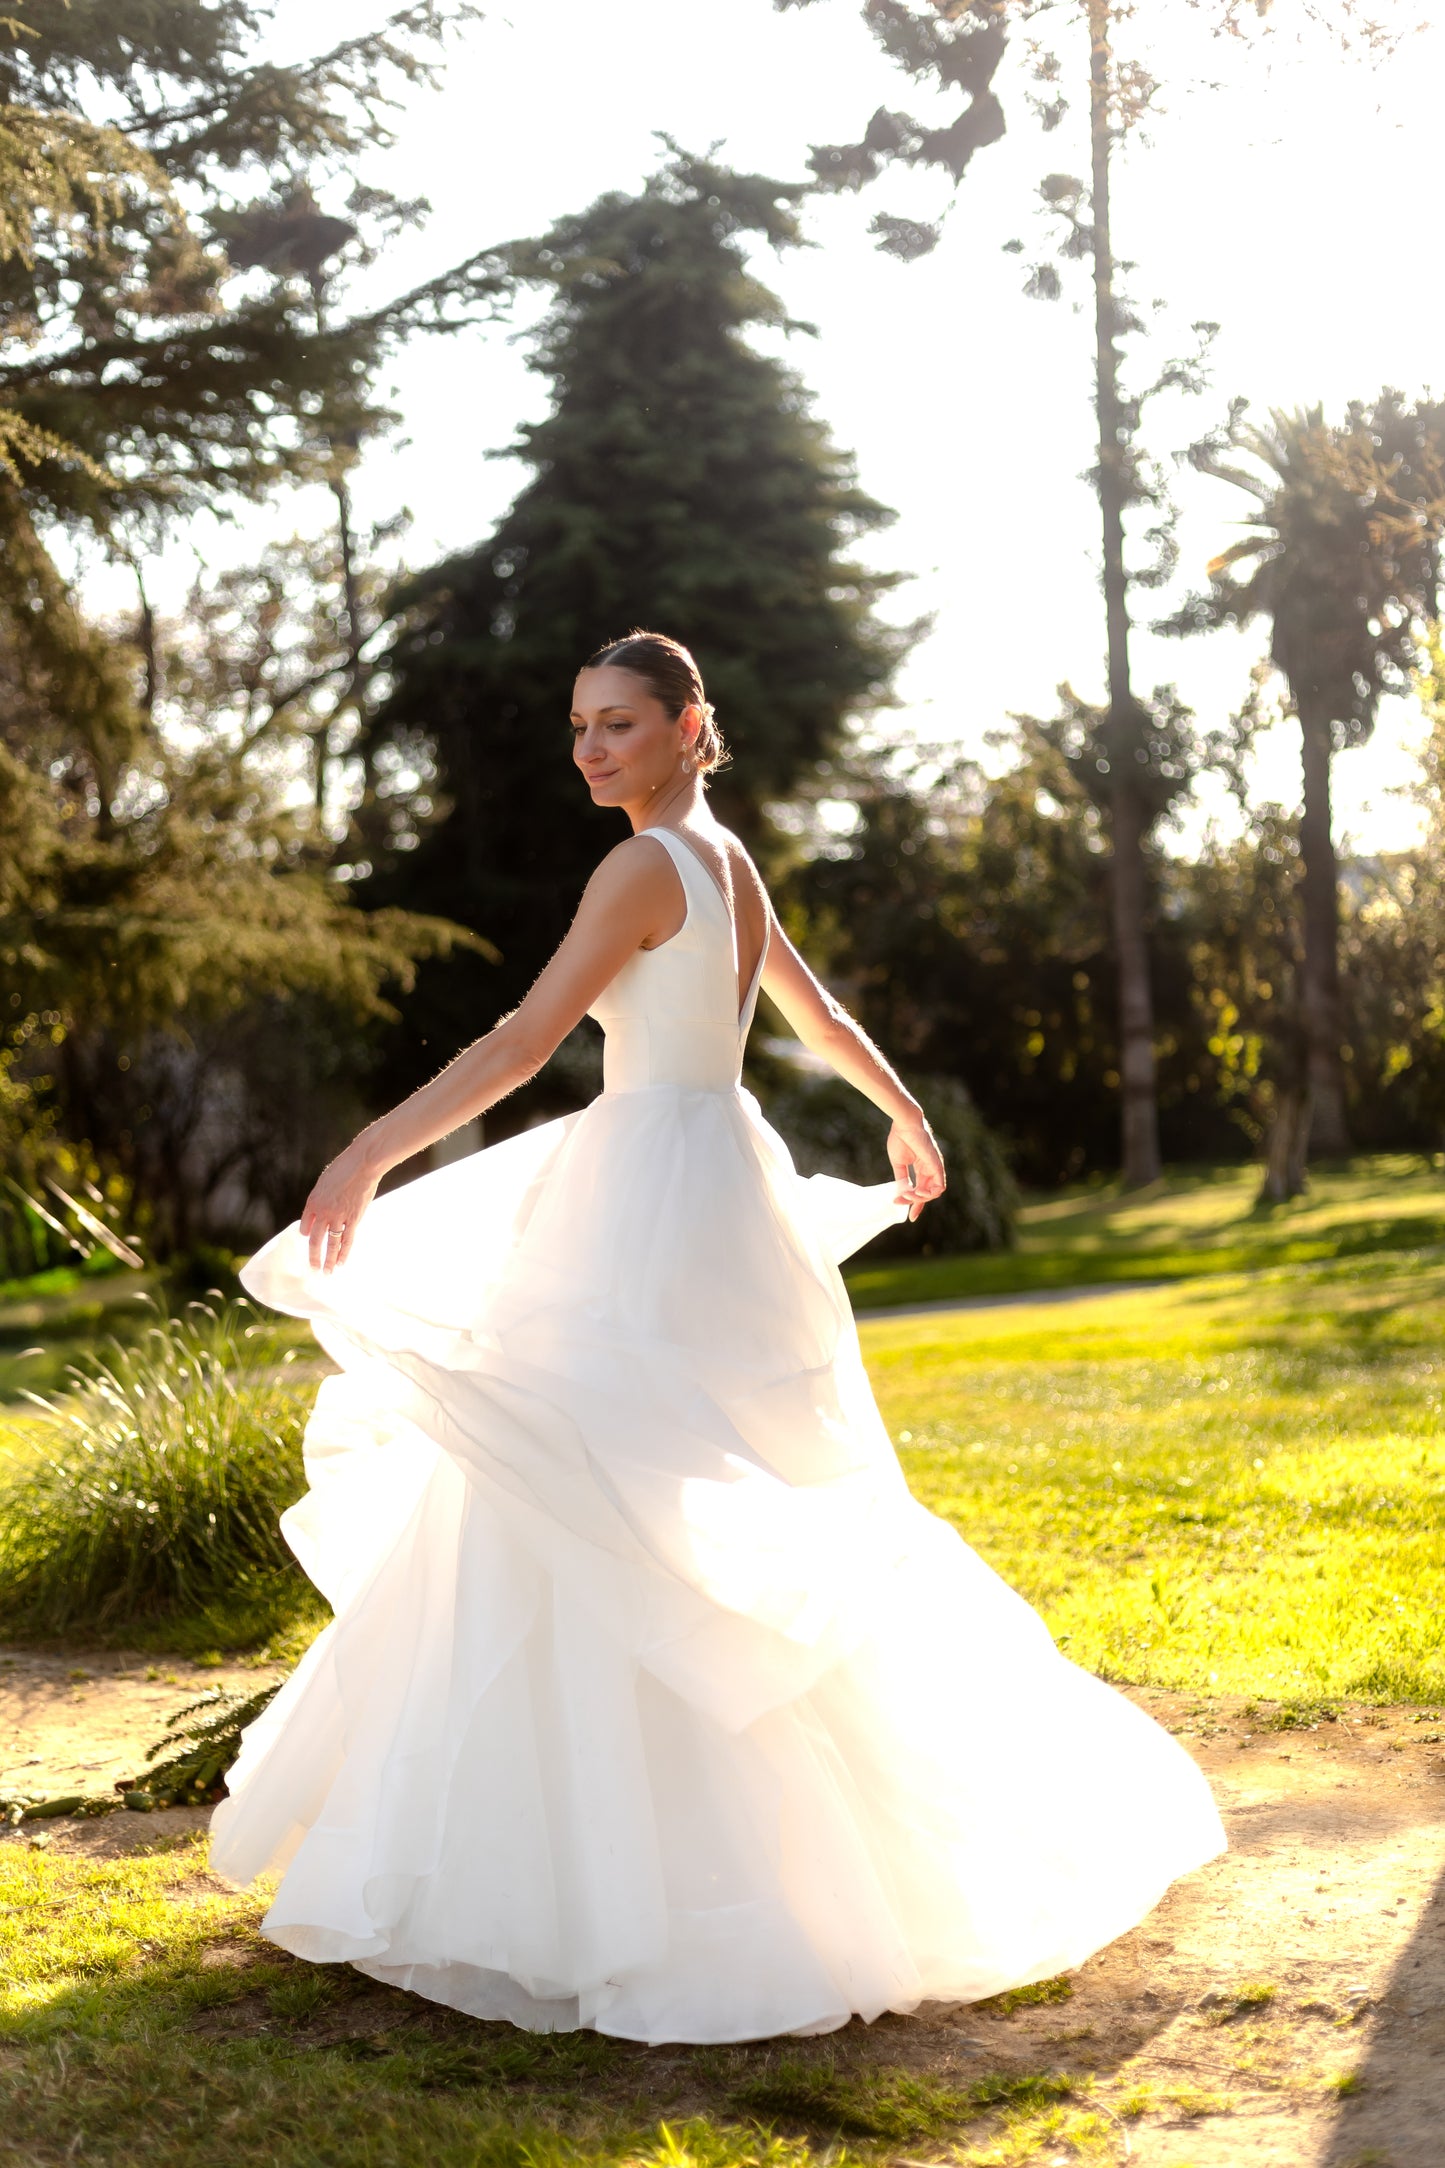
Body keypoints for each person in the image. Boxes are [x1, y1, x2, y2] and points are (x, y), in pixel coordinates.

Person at [211, 629, 1224, 2044]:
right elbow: (806, 1007)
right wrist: (901, 1110)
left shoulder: (644, 867)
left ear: (694, 725)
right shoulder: (724, 859)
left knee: (598, 1483)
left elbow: (522, 1040)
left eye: (620, 723)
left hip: (647, 1198)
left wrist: (367, 1157)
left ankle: (596, 1880)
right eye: (579, 726)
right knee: (677, 1485)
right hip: (714, 1185)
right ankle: (748, 1862)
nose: (592, 750)